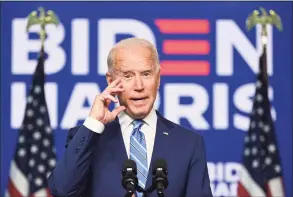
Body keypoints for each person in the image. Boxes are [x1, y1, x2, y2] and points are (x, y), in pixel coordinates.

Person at [48, 37, 213, 197]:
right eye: (128, 76)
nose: (139, 86)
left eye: (146, 74)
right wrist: (93, 124)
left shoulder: (189, 143)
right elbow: (62, 190)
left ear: (158, 78)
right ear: (111, 80)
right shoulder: (88, 138)